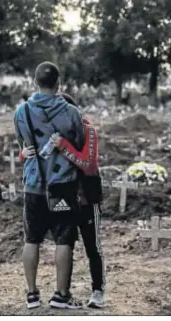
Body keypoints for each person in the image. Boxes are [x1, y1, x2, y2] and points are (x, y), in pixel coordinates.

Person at [20, 93, 106, 308]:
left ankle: (97, 290)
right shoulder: (52, 132)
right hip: (60, 196)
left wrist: (65, 146)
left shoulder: (88, 131)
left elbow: (88, 165)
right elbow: (34, 154)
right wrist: (23, 154)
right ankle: (62, 294)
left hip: (85, 198)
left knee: (91, 246)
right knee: (64, 243)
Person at [13, 62, 85, 310]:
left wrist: (26, 152)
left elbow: (22, 145)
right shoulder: (72, 113)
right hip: (62, 184)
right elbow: (79, 145)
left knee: (31, 239)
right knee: (64, 240)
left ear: (35, 82)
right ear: (59, 84)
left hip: (33, 184)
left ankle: (32, 295)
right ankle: (61, 295)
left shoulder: (21, 112)